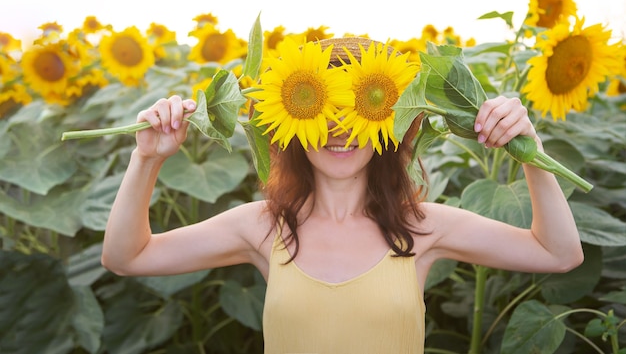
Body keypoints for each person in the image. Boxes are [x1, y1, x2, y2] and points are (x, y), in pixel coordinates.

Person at [101, 37, 584, 354]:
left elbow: (558, 253)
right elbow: (127, 256)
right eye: (318, 106)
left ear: (387, 121)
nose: (339, 129)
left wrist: (529, 150)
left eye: (356, 108)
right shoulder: (263, 226)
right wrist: (147, 158)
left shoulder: (423, 227)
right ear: (292, 120)